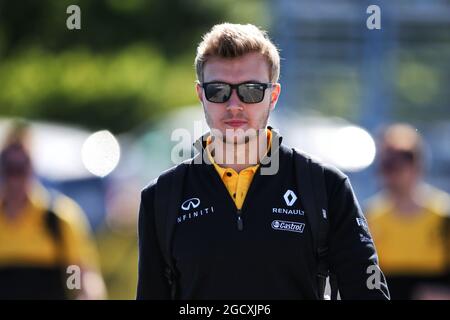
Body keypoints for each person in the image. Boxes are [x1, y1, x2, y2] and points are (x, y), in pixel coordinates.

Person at [137, 23, 390, 300]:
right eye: (218, 90)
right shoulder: (161, 197)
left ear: (273, 95)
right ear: (201, 95)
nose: (234, 105)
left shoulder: (325, 186)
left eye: (251, 90)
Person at [0, 121, 107, 299]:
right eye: (10, 168)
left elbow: (78, 276)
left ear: (32, 168)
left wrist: (82, 295)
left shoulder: (59, 218)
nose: (15, 179)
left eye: (21, 168)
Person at [365, 123, 450, 300]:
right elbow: (366, 279)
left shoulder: (443, 216)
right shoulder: (370, 217)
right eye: (384, 165)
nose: (389, 174)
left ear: (416, 167)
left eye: (395, 165)